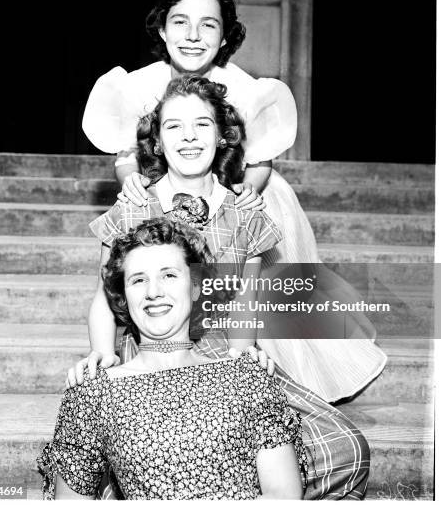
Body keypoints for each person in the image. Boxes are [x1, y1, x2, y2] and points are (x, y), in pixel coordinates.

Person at [81, 0, 386, 402]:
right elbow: (128, 155)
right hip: (165, 180)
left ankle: (264, 358)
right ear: (162, 29)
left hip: (236, 181)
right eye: (180, 22)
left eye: (208, 25)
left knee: (256, 240)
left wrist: (241, 191)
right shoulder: (137, 85)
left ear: (224, 36)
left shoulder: (243, 85)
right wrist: (134, 183)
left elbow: (260, 159)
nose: (192, 35)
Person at [76, 74, 370, 500]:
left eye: (202, 124)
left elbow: (244, 301)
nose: (189, 136)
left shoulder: (246, 212)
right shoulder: (133, 206)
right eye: (174, 126)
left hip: (221, 349)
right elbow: (105, 293)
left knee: (346, 448)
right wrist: (102, 352)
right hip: (154, 350)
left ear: (222, 138)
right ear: (156, 142)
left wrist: (240, 362)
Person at [38, 218, 307, 499]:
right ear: (123, 295)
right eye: (138, 280)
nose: (153, 292)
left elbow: (282, 497)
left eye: (169, 275)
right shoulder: (93, 391)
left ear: (195, 288)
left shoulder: (246, 377)